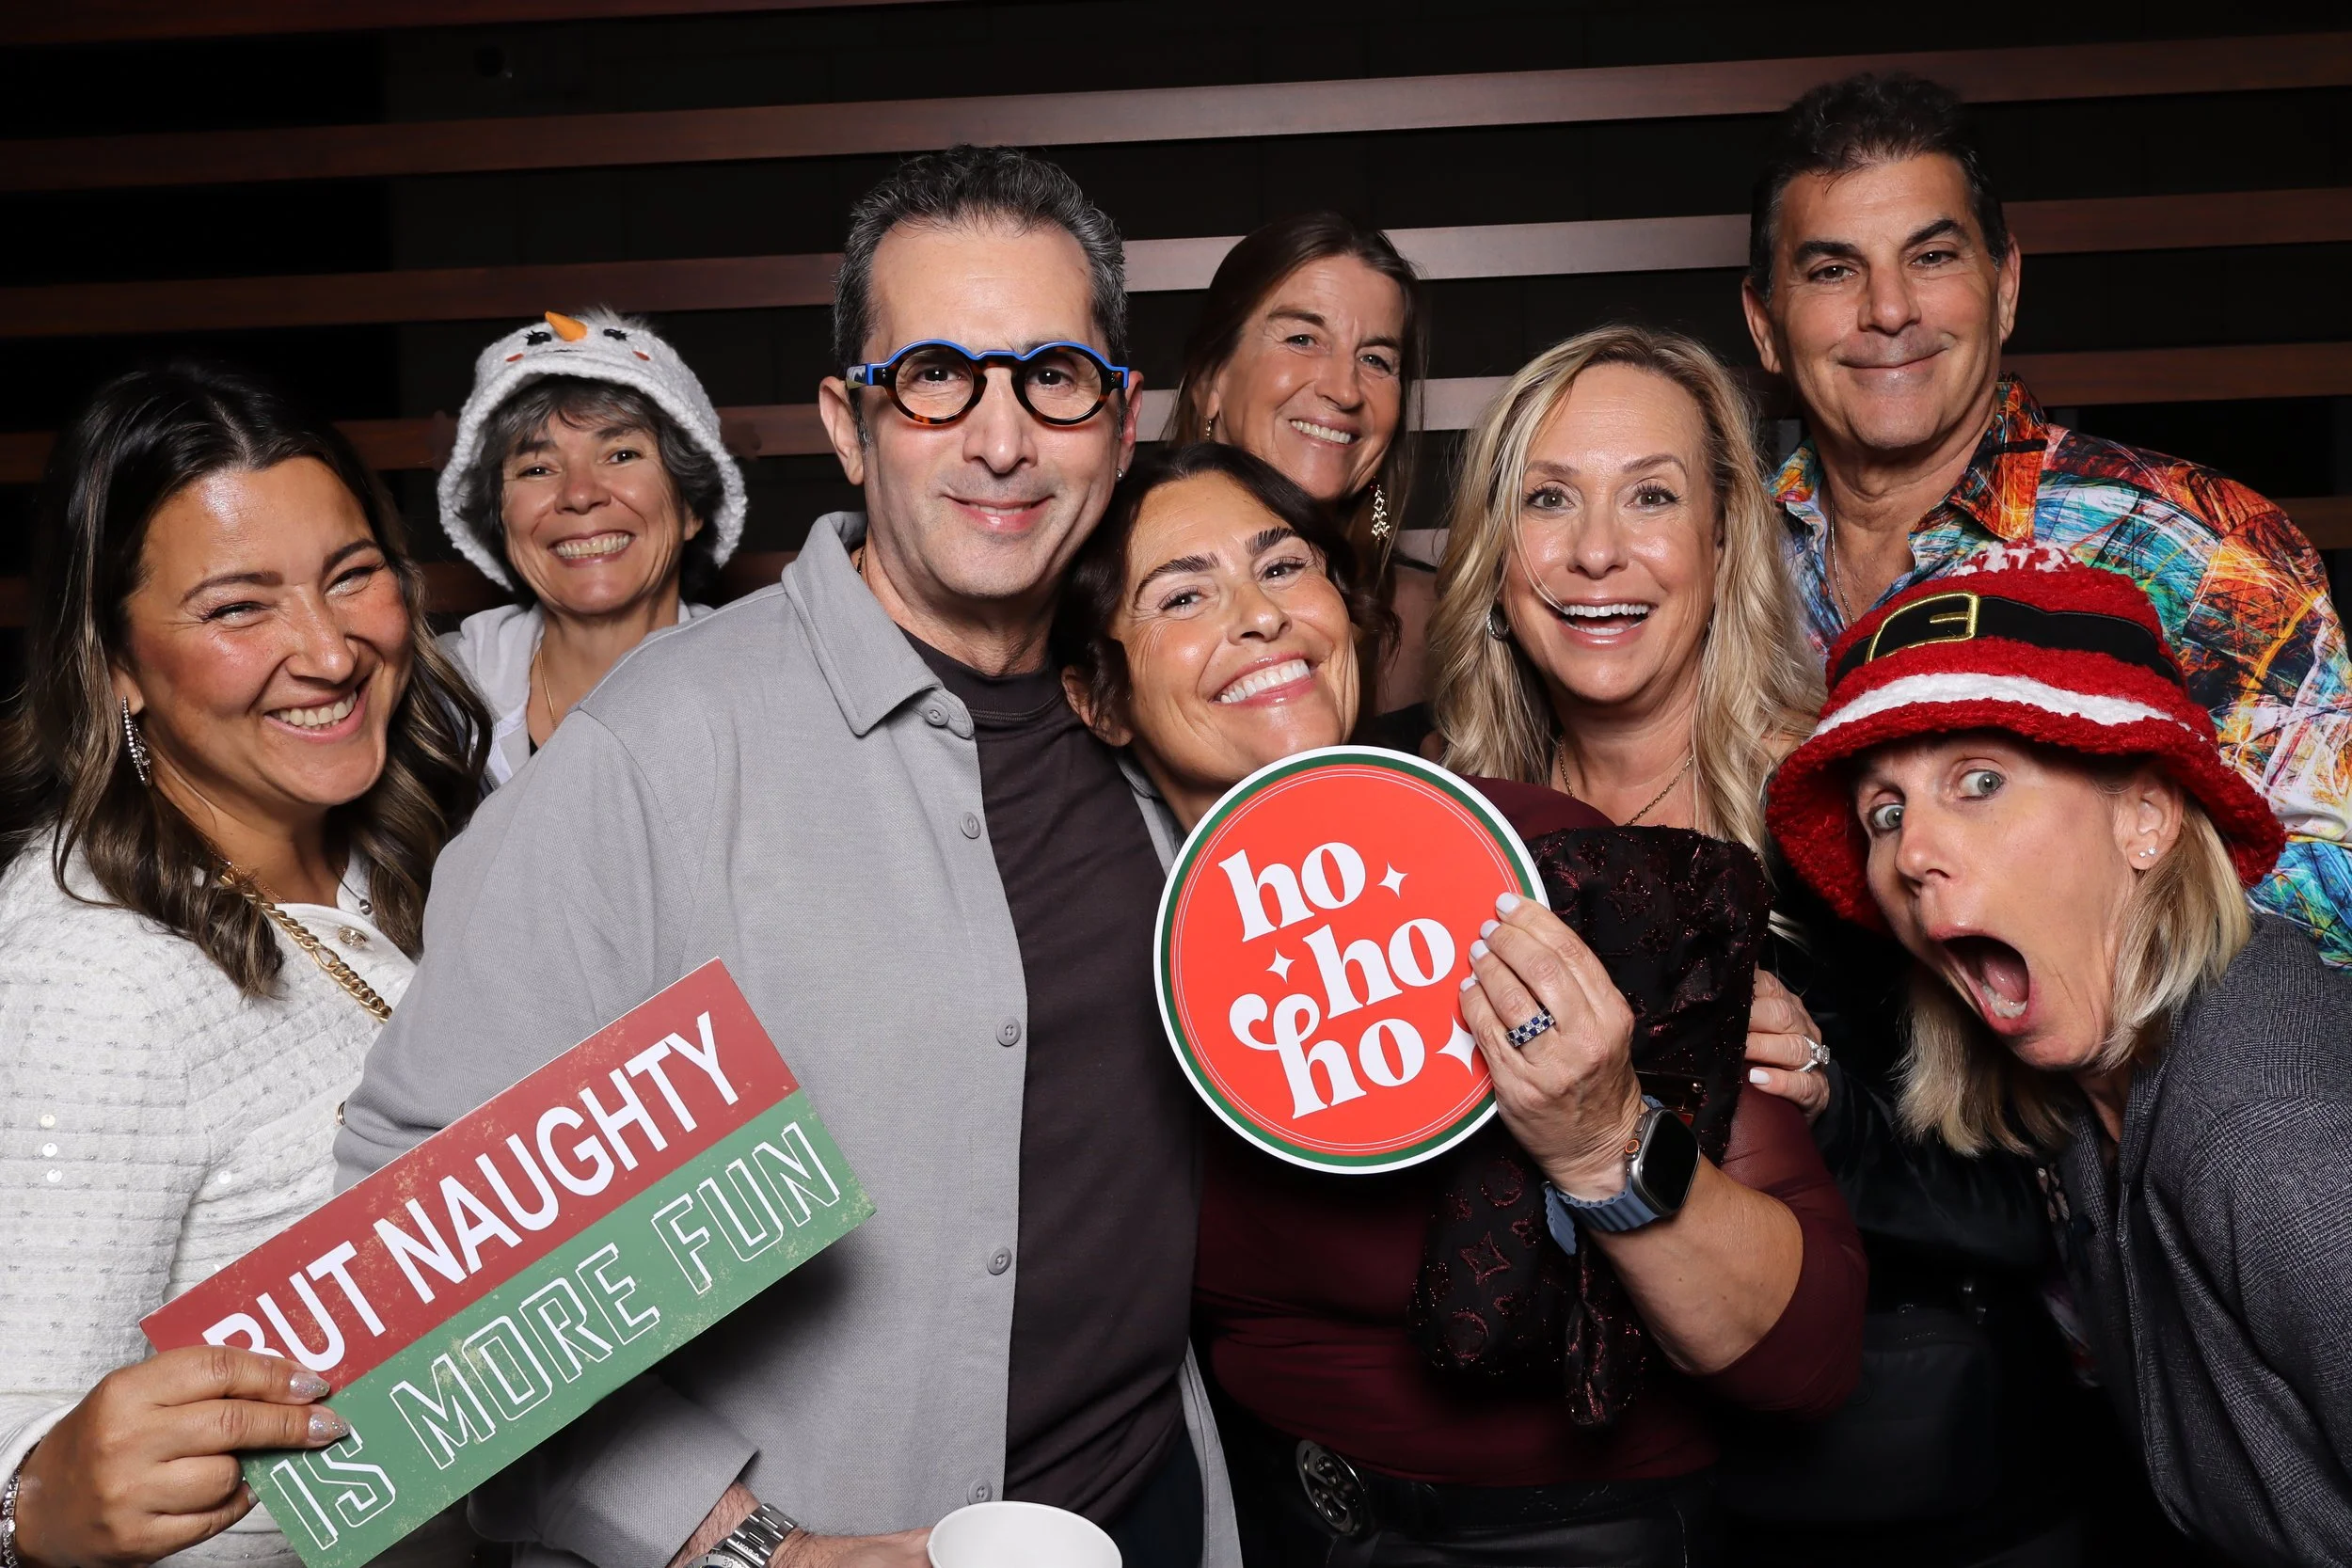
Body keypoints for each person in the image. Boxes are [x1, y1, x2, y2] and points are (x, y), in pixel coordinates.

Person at [336, 146, 1241, 1568]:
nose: (1001, 440)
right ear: (848, 418)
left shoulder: (1158, 723)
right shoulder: (658, 748)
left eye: (1053, 377)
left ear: (1121, 423)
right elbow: (406, 1251)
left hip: (1148, 1510)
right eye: (937, 375)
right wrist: (746, 1541)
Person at [1055, 426, 1862, 1561]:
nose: (1259, 614)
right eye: (1182, 595)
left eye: (1285, 566)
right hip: (1266, 1525)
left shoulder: (1556, 866)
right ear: (1099, 697)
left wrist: (1603, 1145)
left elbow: (1809, 1354)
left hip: (1578, 1530)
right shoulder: (1098, 956)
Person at [1766, 546, 2352, 1568]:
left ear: (2145, 816)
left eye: (1979, 781)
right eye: (1885, 812)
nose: (1908, 854)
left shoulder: (2270, 1127)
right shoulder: (2094, 1089)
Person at [0, 363, 486, 1568]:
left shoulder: (410, 851)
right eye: (236, 608)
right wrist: (21, 1515)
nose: (327, 652)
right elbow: (27, 1440)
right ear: (114, 661)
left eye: (351, 575)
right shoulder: (93, 969)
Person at [1740, 71, 2352, 963]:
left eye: (1934, 256)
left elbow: (2333, 900)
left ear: (2007, 285)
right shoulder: (1715, 562)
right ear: (1765, 324)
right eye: (1833, 270)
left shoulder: (2198, 548)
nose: (1889, 309)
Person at [435, 307, 744, 788]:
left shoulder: (762, 689)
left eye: (622, 455)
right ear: (500, 520)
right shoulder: (437, 698)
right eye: (537, 468)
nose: (580, 494)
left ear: (690, 507)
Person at [1161, 214, 1433, 713]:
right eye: (1302, 339)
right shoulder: (1100, 593)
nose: (1345, 390)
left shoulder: (1439, 624)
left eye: (1376, 360)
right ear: (1210, 381)